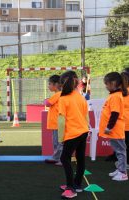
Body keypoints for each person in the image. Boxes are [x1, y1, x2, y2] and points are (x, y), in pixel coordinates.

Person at [58, 71, 89, 199]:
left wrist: (61, 138)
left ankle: (71, 188)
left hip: (73, 133)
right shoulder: (80, 96)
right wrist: (86, 128)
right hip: (83, 131)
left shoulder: (63, 99)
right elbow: (86, 116)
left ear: (61, 85)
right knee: (80, 158)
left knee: (64, 158)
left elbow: (61, 120)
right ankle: (77, 185)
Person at [99, 72, 128, 181]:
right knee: (118, 150)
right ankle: (120, 169)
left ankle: (123, 173)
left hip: (116, 129)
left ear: (114, 83)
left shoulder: (116, 96)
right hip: (113, 130)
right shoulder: (113, 95)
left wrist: (109, 127)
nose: (106, 86)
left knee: (121, 151)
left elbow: (115, 114)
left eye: (107, 84)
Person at [44, 75, 63, 165]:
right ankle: (56, 157)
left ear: (56, 84)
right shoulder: (58, 94)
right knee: (57, 142)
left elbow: (47, 103)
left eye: (50, 84)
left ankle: (60, 159)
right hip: (56, 123)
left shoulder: (58, 94)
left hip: (57, 123)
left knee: (59, 142)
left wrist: (46, 100)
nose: (48, 86)